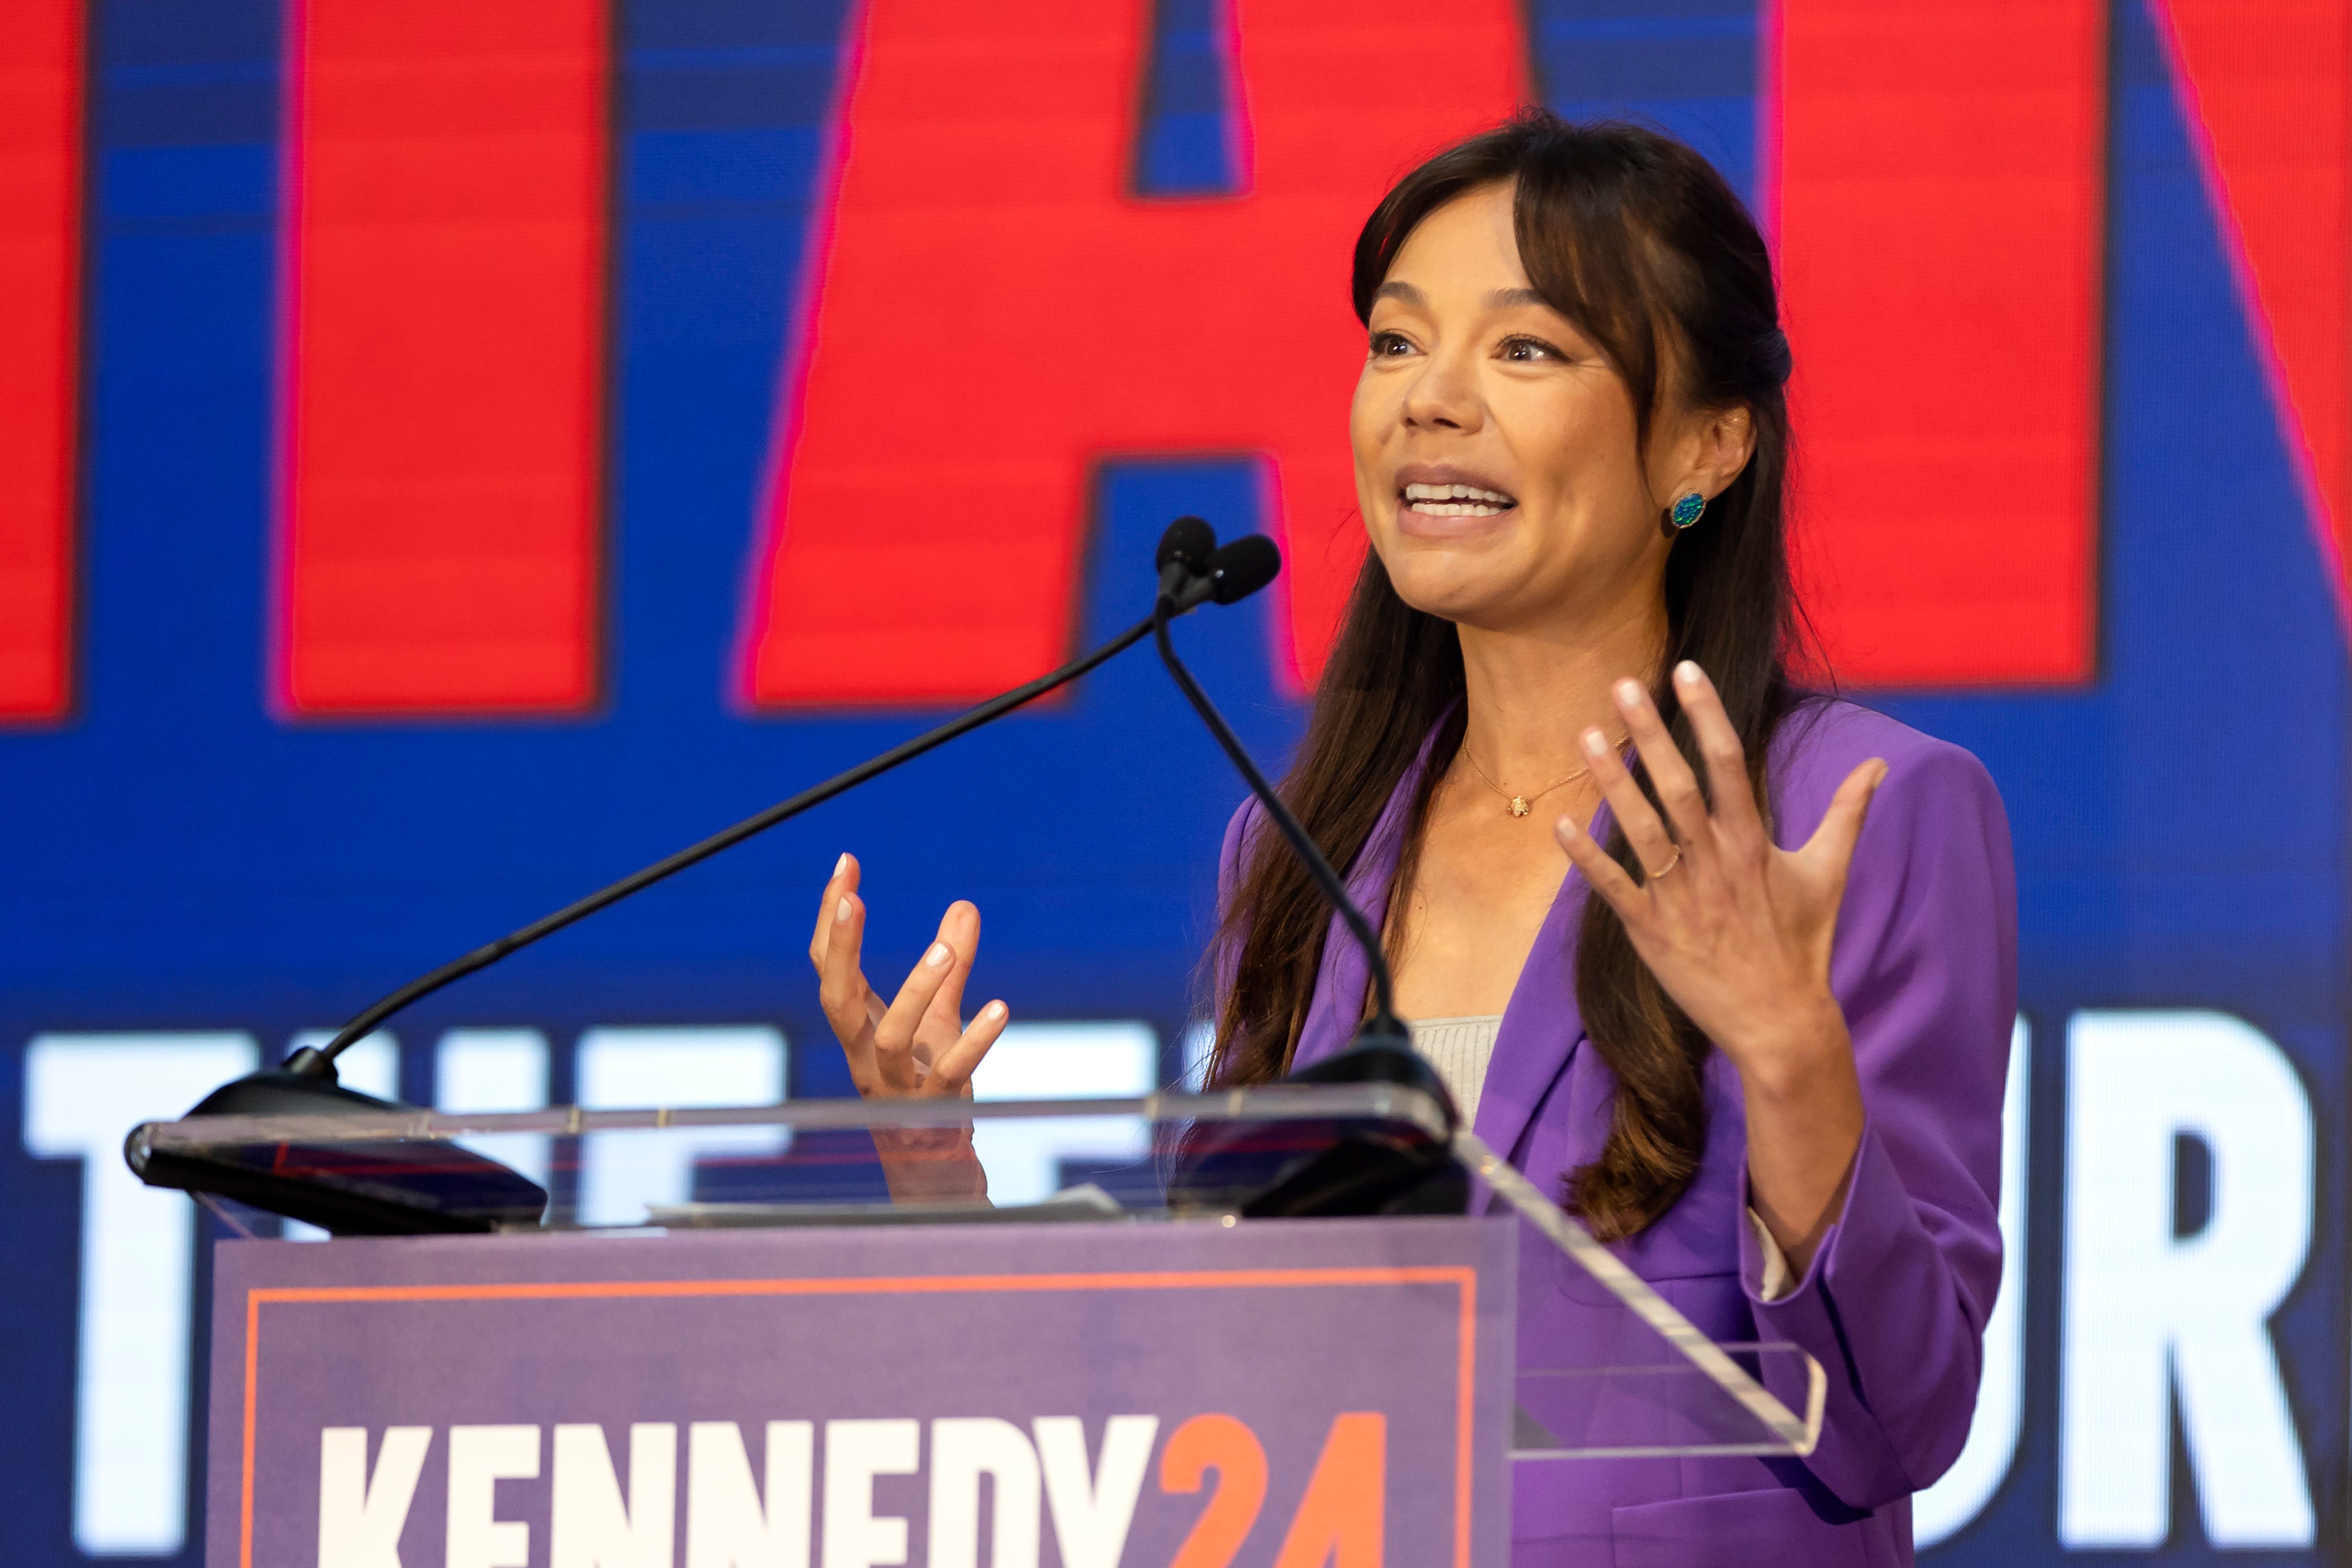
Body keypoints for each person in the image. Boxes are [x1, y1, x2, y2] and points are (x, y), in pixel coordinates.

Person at [810, 111, 2015, 1565]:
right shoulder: (1301, 845)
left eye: (1526, 349)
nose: (1428, 401)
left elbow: (1903, 1416)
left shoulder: (1854, 810)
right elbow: (1226, 1393)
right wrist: (944, 1190)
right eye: (1395, 342)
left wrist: (1788, 1055)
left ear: (1706, 442)